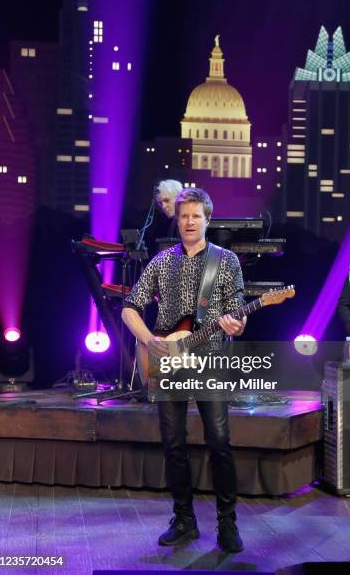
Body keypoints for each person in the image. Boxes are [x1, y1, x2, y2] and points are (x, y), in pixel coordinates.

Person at [122, 187, 246, 553]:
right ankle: (184, 520)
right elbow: (130, 306)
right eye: (184, 216)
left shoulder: (226, 261)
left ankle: (227, 522)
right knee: (173, 443)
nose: (189, 222)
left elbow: (237, 308)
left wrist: (236, 323)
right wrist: (149, 340)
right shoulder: (162, 261)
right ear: (176, 221)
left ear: (207, 219)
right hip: (168, 361)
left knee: (219, 441)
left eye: (196, 216)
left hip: (210, 358)